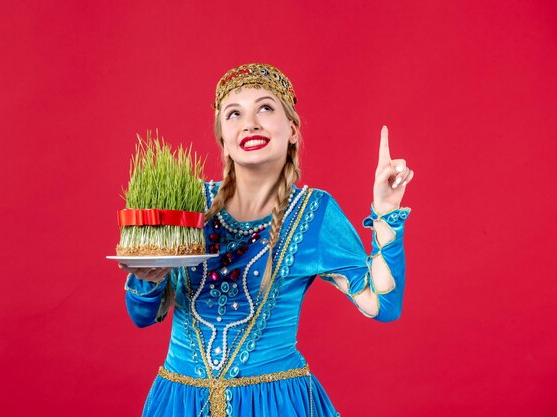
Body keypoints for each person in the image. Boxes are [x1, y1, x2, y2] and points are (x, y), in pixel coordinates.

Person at [119, 63, 414, 417]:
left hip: (275, 405)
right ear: (223, 139)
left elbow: (382, 305)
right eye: (234, 114)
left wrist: (385, 212)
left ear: (291, 130)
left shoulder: (315, 212)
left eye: (265, 108)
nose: (250, 123)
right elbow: (142, 315)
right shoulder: (189, 203)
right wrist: (147, 280)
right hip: (180, 402)